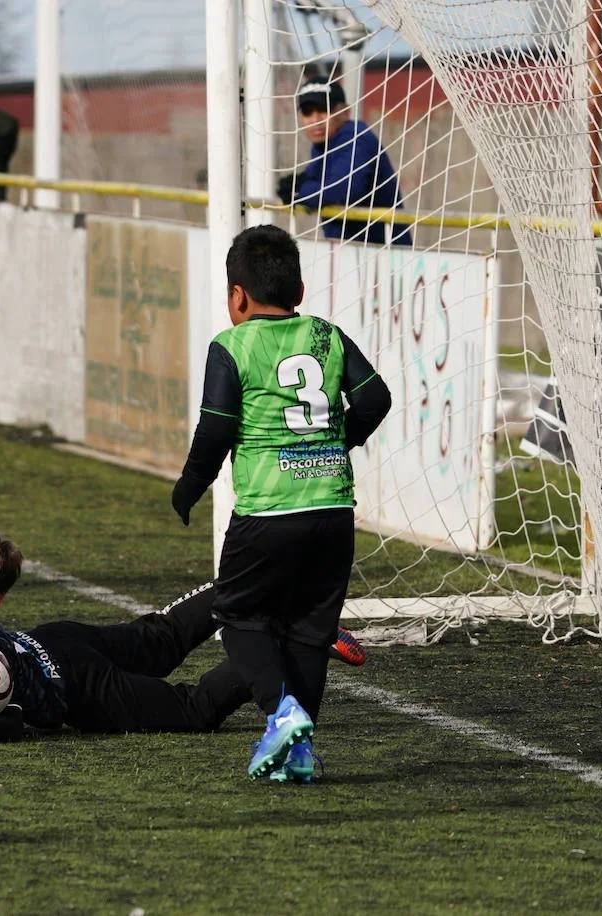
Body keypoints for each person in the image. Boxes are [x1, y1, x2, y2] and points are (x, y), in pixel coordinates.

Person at [170, 224, 392, 782]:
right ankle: (298, 754)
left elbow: (216, 428)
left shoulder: (233, 345)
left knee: (239, 615)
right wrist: (336, 441)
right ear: (297, 290)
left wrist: (189, 487)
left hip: (269, 511)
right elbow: (376, 398)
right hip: (333, 511)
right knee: (311, 632)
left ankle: (281, 713)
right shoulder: (327, 335)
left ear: (237, 297)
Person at [0, 521, 366, 774]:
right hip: (58, 637)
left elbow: (20, 721)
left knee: (193, 707)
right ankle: (272, 593)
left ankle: (289, 631)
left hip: (81, 687)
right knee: (159, 638)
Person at [275, 74, 411, 246]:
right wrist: (298, 184)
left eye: (324, 110)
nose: (316, 120)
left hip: (384, 254)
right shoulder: (321, 145)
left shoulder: (356, 138)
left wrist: (300, 191)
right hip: (347, 252)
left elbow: (339, 191)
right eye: (308, 112)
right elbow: (318, 183)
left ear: (345, 112)